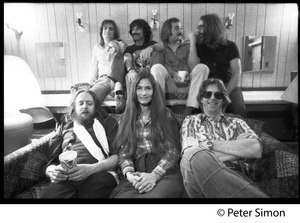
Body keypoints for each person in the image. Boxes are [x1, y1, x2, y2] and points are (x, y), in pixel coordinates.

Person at [180, 78, 268, 198]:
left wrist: (211, 144)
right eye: (207, 94)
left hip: (236, 174)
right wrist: (239, 151)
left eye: (218, 95)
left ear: (223, 99)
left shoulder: (237, 122)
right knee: (192, 155)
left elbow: (256, 149)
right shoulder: (191, 121)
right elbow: (191, 158)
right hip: (200, 178)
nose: (212, 98)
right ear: (201, 98)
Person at [110, 70, 184, 198]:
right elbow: (124, 152)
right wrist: (130, 175)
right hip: (137, 171)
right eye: (139, 88)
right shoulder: (125, 118)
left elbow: (174, 150)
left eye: (148, 88)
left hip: (165, 169)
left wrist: (155, 175)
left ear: (154, 91)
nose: (144, 93)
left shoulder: (165, 114)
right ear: (134, 91)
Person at [40, 89, 119, 198]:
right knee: (50, 194)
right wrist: (52, 172)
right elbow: (50, 162)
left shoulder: (108, 122)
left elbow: (117, 157)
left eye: (89, 103)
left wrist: (91, 169)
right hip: (67, 176)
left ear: (95, 106)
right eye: (80, 103)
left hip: (97, 173)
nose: (85, 106)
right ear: (74, 107)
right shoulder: (65, 126)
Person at [189, 13, 247, 118]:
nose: (198, 30)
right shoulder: (199, 46)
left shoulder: (231, 46)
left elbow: (237, 73)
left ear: (211, 28)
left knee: (238, 109)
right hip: (206, 87)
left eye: (201, 27)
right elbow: (193, 67)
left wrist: (224, 94)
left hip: (227, 85)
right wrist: (192, 42)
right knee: (197, 112)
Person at [148, 17, 209, 116]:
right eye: (177, 28)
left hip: (188, 84)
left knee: (203, 68)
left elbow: (194, 67)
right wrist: (172, 73)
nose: (180, 31)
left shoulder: (188, 45)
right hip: (169, 83)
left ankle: (189, 110)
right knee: (156, 68)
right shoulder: (162, 47)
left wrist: (192, 42)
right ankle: (160, 111)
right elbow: (159, 65)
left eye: (181, 28)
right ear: (168, 31)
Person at [89, 19, 127, 114]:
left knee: (118, 57)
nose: (108, 31)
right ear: (101, 32)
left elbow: (120, 47)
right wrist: (91, 82)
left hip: (118, 78)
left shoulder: (121, 44)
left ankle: (119, 95)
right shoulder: (97, 48)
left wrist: (113, 46)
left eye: (111, 29)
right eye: (105, 28)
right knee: (90, 98)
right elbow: (93, 66)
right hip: (103, 80)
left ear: (114, 33)